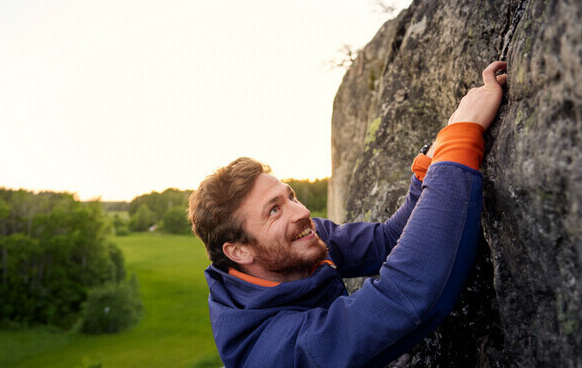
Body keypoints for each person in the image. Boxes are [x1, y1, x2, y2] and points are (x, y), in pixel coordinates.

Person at [188, 61, 507, 368]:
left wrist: (433, 158)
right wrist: (463, 138)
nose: (302, 212)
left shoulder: (296, 243)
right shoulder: (276, 353)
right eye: (274, 210)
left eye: (290, 196)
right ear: (238, 251)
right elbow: (408, 297)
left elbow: (387, 241)